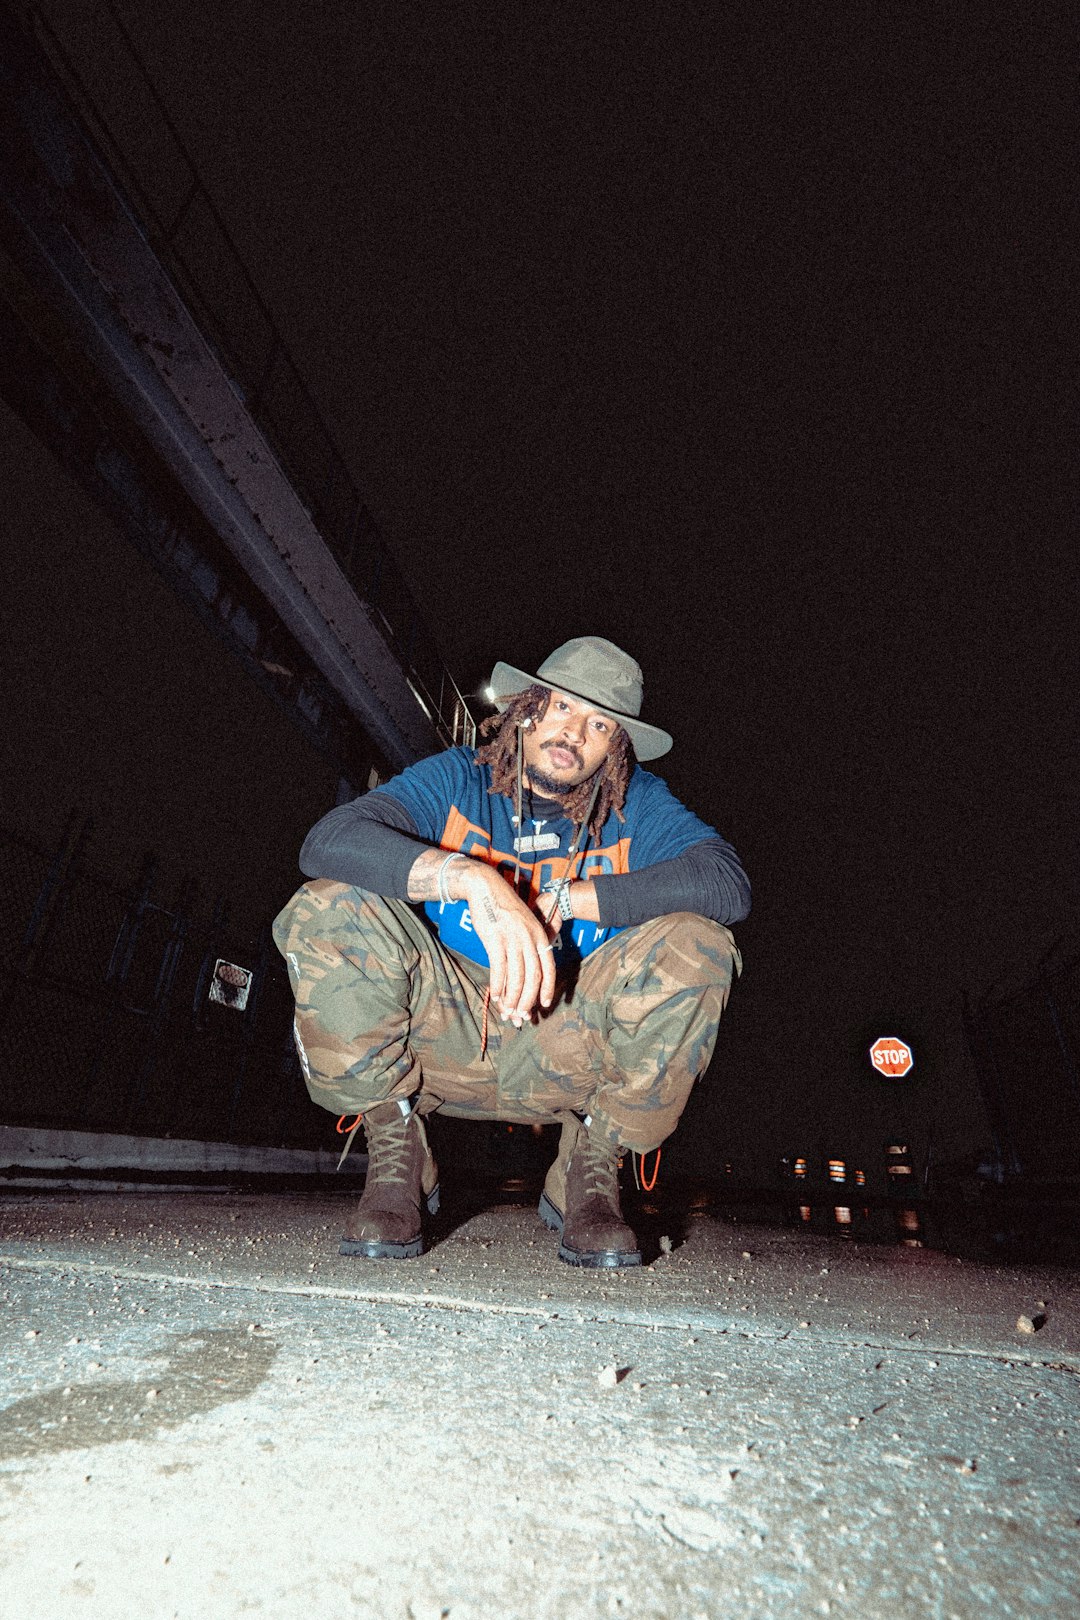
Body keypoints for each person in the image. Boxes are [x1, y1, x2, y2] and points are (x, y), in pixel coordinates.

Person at [273, 636, 750, 1268]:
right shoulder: (457, 776)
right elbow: (329, 840)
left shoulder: (635, 804)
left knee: (700, 944)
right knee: (329, 903)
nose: (573, 733)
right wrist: (470, 879)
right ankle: (396, 1149)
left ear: (615, 748)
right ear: (525, 708)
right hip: (444, 1031)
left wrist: (575, 897)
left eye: (599, 724)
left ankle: (592, 1163)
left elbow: (725, 882)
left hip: (565, 1037)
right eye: (560, 708)